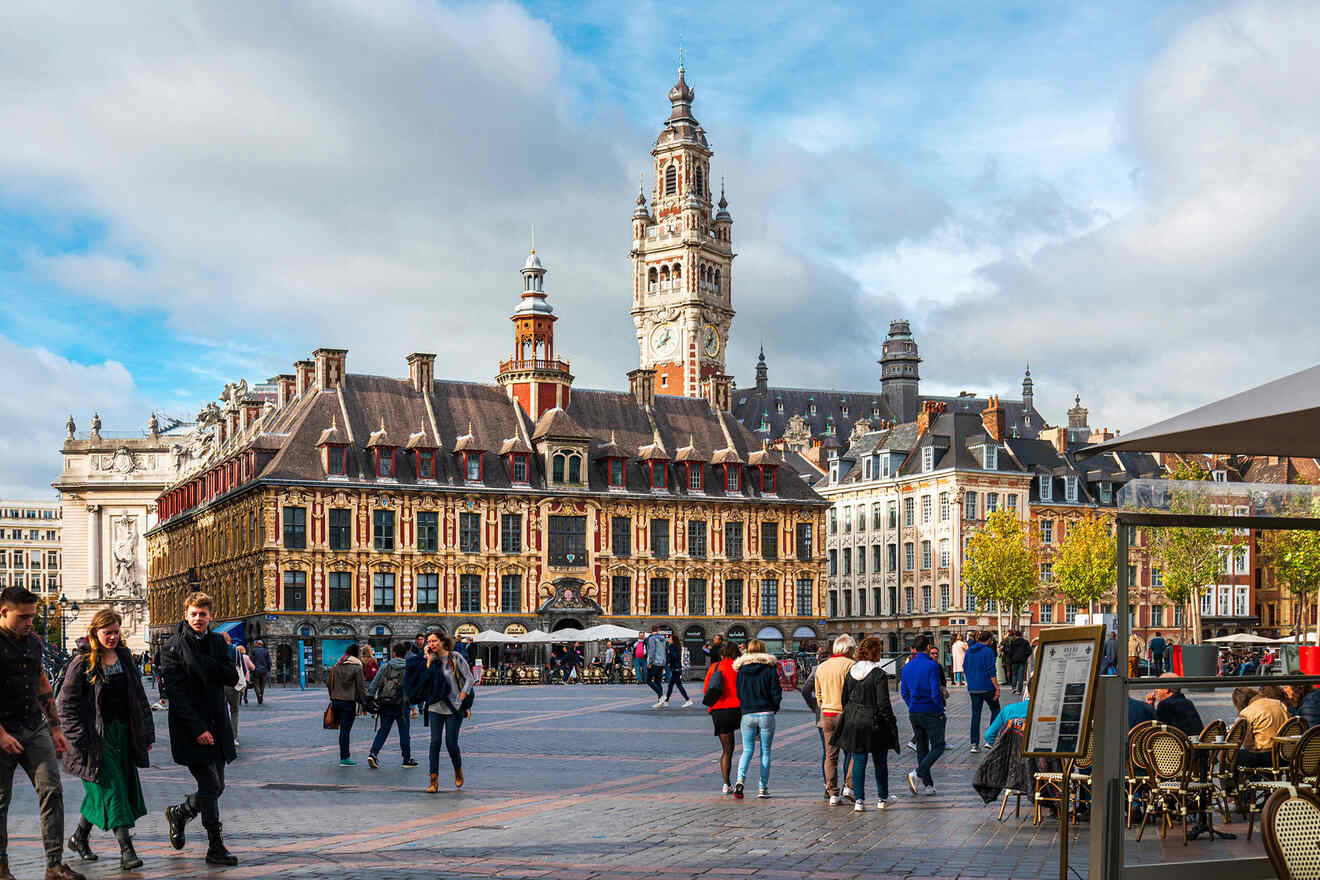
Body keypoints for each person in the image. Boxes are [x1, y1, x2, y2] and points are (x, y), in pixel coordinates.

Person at [0, 586, 86, 880]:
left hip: (33, 726)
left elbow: (41, 684)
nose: (29, 623)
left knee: (52, 791)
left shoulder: (34, 641)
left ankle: (54, 865)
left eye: (32, 617)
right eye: (23, 617)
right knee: (1, 802)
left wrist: (55, 727)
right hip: (1, 730)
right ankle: (1, 868)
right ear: (3, 612)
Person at [57, 609, 153, 871]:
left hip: (123, 735)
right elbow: (65, 706)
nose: (112, 637)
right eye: (106, 632)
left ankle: (79, 837)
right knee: (113, 790)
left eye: (115, 632)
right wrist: (79, 738)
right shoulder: (83, 662)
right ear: (95, 632)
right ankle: (127, 850)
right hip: (94, 738)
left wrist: (146, 733)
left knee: (104, 791)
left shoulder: (124, 657)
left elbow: (139, 697)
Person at [161, 591, 239, 867]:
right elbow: (176, 694)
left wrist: (202, 662)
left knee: (217, 787)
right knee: (211, 784)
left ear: (210, 616)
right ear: (186, 615)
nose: (198, 618)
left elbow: (232, 676)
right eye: (193, 613)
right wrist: (196, 729)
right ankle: (215, 846)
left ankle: (181, 812)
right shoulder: (172, 647)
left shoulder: (217, 641)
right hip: (190, 726)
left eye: (203, 614)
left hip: (217, 722)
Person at [832, 637, 899, 812]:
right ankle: (882, 798)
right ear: (877, 652)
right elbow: (883, 702)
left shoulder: (852, 671)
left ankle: (859, 800)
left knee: (859, 760)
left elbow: (844, 698)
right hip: (874, 720)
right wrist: (891, 721)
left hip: (854, 719)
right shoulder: (878, 674)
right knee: (880, 761)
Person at [421, 632, 473, 793]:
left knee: (451, 742)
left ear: (443, 641)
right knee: (435, 743)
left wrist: (462, 696)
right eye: (429, 642)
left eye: (434, 640)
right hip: (435, 706)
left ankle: (457, 770)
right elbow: (424, 682)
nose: (432, 644)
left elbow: (469, 678)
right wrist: (428, 661)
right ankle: (433, 780)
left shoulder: (455, 657)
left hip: (454, 706)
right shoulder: (429, 661)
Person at [732, 639, 781, 799]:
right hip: (766, 713)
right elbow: (776, 691)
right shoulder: (770, 668)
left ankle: (740, 781)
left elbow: (739, 693)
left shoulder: (742, 670)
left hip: (747, 713)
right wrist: (774, 707)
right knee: (765, 751)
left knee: (747, 750)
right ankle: (762, 788)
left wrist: (745, 706)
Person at [900, 634, 945, 797]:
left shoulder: (907, 667)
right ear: (927, 647)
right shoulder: (931, 666)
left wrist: (911, 704)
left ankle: (928, 785)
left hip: (914, 711)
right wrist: (940, 711)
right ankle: (917, 774)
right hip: (930, 710)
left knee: (922, 748)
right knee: (939, 745)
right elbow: (935, 692)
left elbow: (904, 692)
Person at [815, 635, 857, 805]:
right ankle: (849, 786)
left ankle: (832, 792)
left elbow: (818, 694)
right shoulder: (851, 666)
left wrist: (824, 706)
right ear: (847, 650)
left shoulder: (822, 667)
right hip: (846, 714)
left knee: (831, 755)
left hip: (827, 715)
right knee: (855, 751)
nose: (854, 652)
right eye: (853, 649)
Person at [366, 643, 415, 770]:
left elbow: (374, 683)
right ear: (405, 654)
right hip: (402, 705)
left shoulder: (385, 666)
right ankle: (406, 758)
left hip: (386, 703)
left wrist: (370, 698)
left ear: (394, 653)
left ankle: (373, 753)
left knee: (383, 730)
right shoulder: (409, 668)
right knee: (404, 731)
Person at [704, 641, 741, 794]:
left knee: (727, 750)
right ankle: (748, 782)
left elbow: (706, 689)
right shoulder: (739, 667)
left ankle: (726, 784)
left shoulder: (715, 667)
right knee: (749, 747)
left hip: (719, 710)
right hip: (738, 709)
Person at [799, 647, 832, 798]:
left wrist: (813, 704)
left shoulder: (817, 669)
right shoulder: (845, 666)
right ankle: (847, 786)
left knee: (828, 753)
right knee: (848, 752)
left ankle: (828, 787)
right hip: (843, 715)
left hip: (823, 716)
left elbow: (805, 689)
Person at [327, 644, 365, 766]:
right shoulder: (357, 667)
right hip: (348, 702)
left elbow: (329, 683)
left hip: (336, 701)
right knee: (345, 730)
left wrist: (332, 696)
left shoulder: (337, 665)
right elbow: (360, 687)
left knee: (342, 731)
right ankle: (344, 758)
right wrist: (363, 702)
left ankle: (344, 756)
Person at [1233, 686, 1289, 770]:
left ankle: (1235, 783)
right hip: (1284, 755)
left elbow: (1248, 745)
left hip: (1265, 756)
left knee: (1231, 757)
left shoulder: (1247, 712)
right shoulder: (1279, 704)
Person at [964, 631, 1000, 754]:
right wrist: (997, 687)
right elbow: (991, 670)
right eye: (992, 639)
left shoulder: (969, 651)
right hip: (987, 687)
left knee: (976, 714)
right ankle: (990, 740)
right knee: (995, 710)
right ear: (988, 639)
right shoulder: (988, 651)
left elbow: (965, 667)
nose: (992, 641)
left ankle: (974, 744)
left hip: (973, 687)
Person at [664, 633, 693, 707]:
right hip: (677, 668)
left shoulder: (672, 646)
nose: (669, 640)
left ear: (673, 640)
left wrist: (669, 661)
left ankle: (688, 700)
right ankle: (666, 701)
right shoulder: (677, 647)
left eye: (670, 639)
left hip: (675, 668)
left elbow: (674, 656)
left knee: (678, 686)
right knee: (671, 685)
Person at [644, 627, 669, 707]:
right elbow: (665, 650)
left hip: (654, 663)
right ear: (658, 631)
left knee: (648, 680)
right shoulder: (663, 639)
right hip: (662, 663)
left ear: (651, 631)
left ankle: (661, 695)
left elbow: (652, 651)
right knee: (658, 682)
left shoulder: (652, 639)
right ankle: (661, 701)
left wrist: (650, 662)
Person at [248, 639, 271, 704]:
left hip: (256, 670)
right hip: (264, 670)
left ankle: (259, 695)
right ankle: (261, 697)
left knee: (256, 684)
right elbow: (269, 661)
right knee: (262, 685)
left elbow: (251, 660)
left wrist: (251, 669)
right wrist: (268, 669)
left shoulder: (253, 651)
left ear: (257, 644)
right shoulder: (266, 651)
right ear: (262, 644)